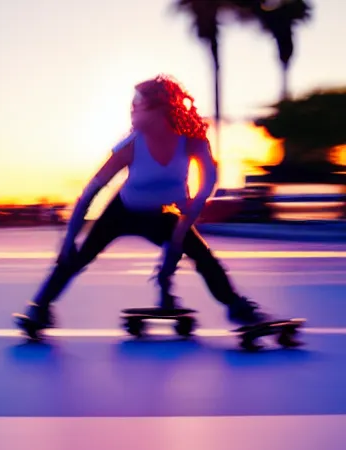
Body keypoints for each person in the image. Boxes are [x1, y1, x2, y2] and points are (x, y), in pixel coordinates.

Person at [16, 74, 267, 330]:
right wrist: (69, 241)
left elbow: (206, 187)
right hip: (121, 212)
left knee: (201, 255)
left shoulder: (192, 141)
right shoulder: (130, 146)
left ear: (161, 109)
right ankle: (40, 308)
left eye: (138, 104)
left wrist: (179, 235)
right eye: (131, 105)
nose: (131, 110)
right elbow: (89, 195)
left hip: (159, 214)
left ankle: (236, 307)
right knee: (77, 258)